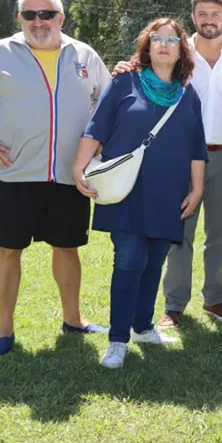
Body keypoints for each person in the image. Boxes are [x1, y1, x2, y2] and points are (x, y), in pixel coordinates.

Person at [0, 0, 110, 355]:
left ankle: (74, 320)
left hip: (70, 176)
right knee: (7, 251)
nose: (39, 21)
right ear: (19, 19)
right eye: (30, 15)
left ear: (61, 18)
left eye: (47, 14)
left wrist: (98, 142)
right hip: (15, 174)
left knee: (67, 249)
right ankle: (4, 330)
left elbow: (108, 99)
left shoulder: (83, 54)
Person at [73, 18, 207, 369]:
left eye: (171, 40)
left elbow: (196, 146)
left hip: (169, 192)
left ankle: (143, 327)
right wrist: (79, 167)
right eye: (156, 39)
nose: (163, 45)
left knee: (155, 260)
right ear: (147, 47)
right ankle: (117, 340)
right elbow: (96, 127)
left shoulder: (187, 94)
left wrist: (197, 188)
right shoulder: (123, 81)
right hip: (127, 190)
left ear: (181, 50)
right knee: (130, 260)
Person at [160, 0, 222, 327]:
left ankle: (215, 299)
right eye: (203, 14)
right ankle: (174, 304)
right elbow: (147, 75)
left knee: (220, 233)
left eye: (215, 14)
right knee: (180, 231)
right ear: (194, 18)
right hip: (183, 158)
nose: (209, 19)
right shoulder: (177, 55)